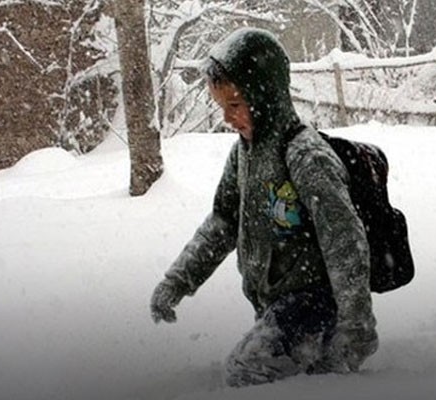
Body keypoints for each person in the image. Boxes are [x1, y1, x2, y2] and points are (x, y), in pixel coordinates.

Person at [150, 27, 377, 387]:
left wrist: (356, 323)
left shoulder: (305, 155)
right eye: (222, 107)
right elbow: (223, 222)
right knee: (282, 377)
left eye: (235, 105)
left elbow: (345, 243)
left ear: (264, 96)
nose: (227, 117)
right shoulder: (243, 154)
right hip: (277, 306)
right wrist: (178, 280)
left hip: (317, 305)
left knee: (248, 371)